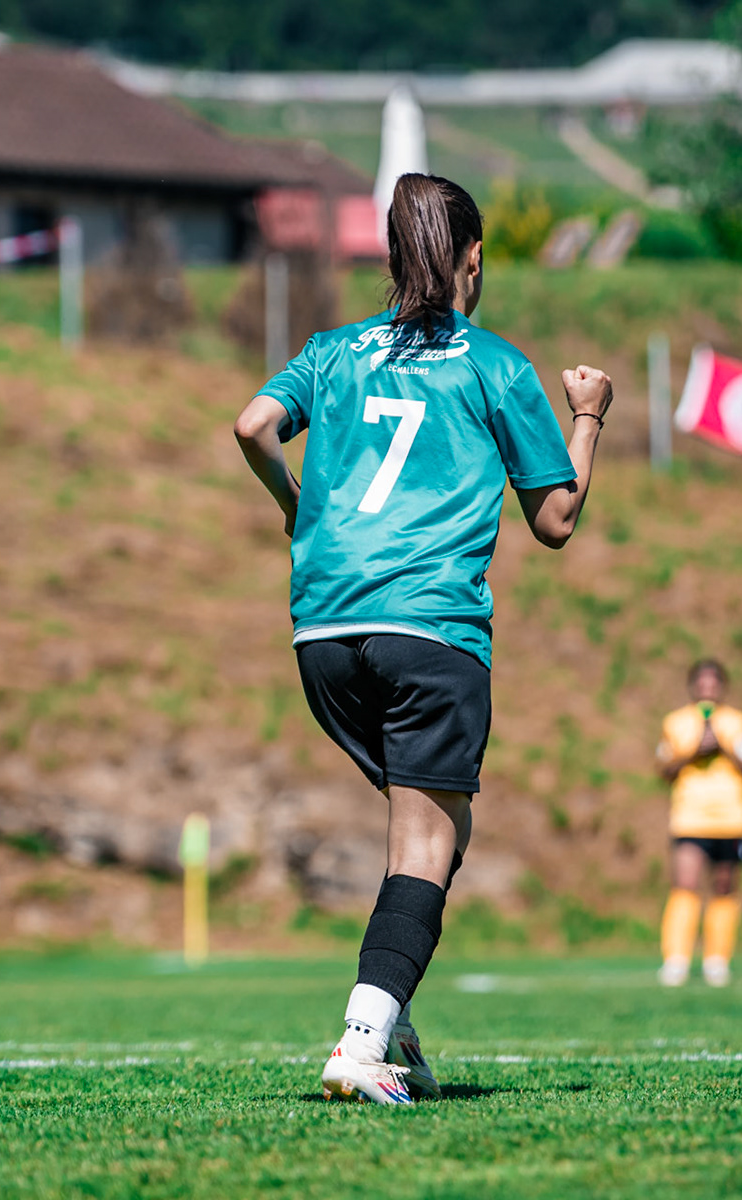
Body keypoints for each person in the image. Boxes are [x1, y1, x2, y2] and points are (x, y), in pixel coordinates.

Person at [233, 173, 610, 1105]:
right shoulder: (491, 363)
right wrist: (591, 415)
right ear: (472, 260)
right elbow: (555, 521)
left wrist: (295, 506)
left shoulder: (330, 351)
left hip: (324, 630)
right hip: (429, 628)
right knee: (424, 845)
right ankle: (362, 1043)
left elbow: (252, 426)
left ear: (395, 259)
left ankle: (392, 1016)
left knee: (439, 829)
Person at [654, 658, 742, 987]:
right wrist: (693, 752)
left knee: (725, 889)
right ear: (692, 686)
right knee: (685, 885)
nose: (707, 690)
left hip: (731, 818)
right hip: (691, 817)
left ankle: (717, 960)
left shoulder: (738, 722)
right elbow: (664, 768)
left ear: (722, 687)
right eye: (702, 684)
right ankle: (676, 960)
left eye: (714, 684)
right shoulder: (675, 723)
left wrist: (723, 747)